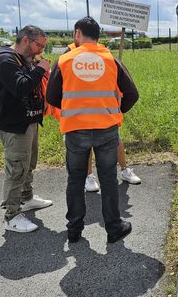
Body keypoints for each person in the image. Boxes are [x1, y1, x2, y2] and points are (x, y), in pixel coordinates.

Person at [46, 16, 139, 243]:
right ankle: (114, 228)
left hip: (76, 130)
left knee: (75, 180)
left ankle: (74, 230)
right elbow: (132, 94)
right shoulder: (111, 60)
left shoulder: (65, 60)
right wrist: (115, 110)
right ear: (98, 36)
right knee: (108, 179)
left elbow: (51, 97)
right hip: (107, 129)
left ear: (78, 34)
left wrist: (74, 107)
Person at [0, 25, 53, 233]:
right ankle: (11, 215)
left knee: (28, 164)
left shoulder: (24, 60)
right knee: (16, 169)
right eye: (39, 46)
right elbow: (20, 87)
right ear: (26, 40)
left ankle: (26, 198)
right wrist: (40, 69)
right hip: (14, 125)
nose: (40, 51)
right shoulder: (4, 60)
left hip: (29, 121)